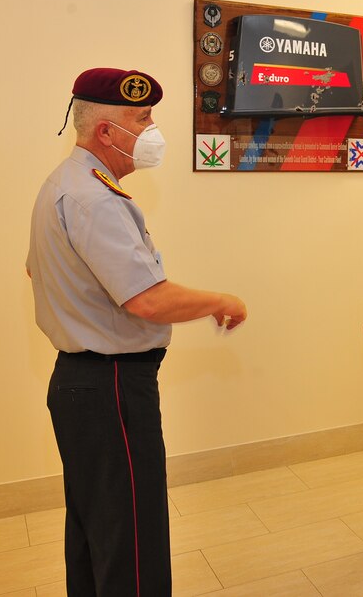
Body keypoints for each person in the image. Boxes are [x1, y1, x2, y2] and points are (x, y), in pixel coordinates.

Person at [26, 68, 247, 596]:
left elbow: (36, 270)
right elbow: (148, 299)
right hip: (112, 388)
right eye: (141, 119)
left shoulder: (65, 183)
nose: (153, 130)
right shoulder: (96, 199)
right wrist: (222, 300)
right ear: (106, 133)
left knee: (94, 527)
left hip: (80, 383)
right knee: (132, 534)